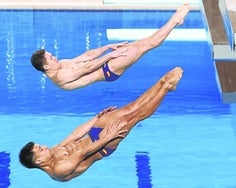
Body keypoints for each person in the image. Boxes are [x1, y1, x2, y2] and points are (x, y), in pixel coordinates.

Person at [19, 67, 183, 182]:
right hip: (102, 145)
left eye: (41, 146)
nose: (45, 147)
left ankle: (162, 82)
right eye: (41, 150)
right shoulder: (59, 171)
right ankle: (166, 88)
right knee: (135, 116)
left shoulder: (53, 151)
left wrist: (95, 119)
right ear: (39, 162)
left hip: (93, 135)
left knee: (130, 107)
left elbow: (74, 136)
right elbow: (85, 151)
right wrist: (109, 136)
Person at [30, 4, 189, 90]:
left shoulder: (61, 64)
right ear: (46, 66)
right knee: (146, 45)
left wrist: (108, 47)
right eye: (51, 58)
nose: (55, 57)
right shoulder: (60, 77)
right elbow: (87, 69)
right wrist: (109, 56)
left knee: (142, 43)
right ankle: (175, 20)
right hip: (108, 70)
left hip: (106, 64)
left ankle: (174, 21)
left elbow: (87, 56)